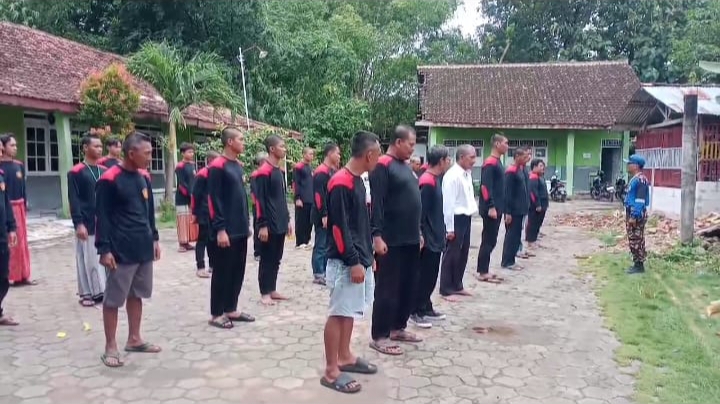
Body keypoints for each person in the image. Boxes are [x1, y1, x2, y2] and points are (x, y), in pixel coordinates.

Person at [96, 132, 162, 368]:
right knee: (114, 299)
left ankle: (134, 339)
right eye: (147, 153)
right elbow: (101, 217)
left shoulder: (143, 177)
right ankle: (110, 346)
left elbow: (148, 212)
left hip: (142, 247)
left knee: (137, 294)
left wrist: (154, 239)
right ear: (131, 153)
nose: (150, 158)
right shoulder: (110, 179)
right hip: (120, 250)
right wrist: (104, 249)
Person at [321, 130, 380, 394]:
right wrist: (354, 261)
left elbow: (361, 224)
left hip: (360, 259)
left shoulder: (358, 180)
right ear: (369, 154)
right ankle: (332, 370)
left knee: (350, 312)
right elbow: (339, 229)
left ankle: (345, 355)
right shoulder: (340, 182)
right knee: (338, 313)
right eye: (377, 154)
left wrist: (369, 258)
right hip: (346, 262)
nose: (378, 159)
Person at [369, 125, 422, 356]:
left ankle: (397, 327)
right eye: (410, 144)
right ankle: (380, 335)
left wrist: (418, 232)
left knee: (407, 286)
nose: (413, 148)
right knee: (387, 288)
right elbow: (377, 204)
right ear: (398, 142)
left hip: (410, 238)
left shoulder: (406, 167)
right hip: (391, 239)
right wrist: (376, 235)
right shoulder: (383, 166)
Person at [206, 127, 255, 328]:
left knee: (237, 269)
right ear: (230, 142)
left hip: (240, 227)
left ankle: (231, 308)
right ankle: (217, 313)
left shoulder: (236, 165)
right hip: (226, 229)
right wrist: (220, 229)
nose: (244, 142)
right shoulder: (217, 166)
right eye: (241, 139)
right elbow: (213, 200)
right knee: (222, 271)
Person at [410, 145, 451, 328]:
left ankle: (426, 306)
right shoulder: (427, 181)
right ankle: (416, 310)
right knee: (424, 275)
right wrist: (420, 234)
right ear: (441, 161)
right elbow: (420, 211)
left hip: (436, 234)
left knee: (431, 275)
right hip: (428, 237)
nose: (449, 162)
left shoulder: (435, 179)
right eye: (448, 159)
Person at [252, 135, 293, 305]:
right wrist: (262, 225)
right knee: (267, 258)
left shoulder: (279, 171)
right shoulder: (263, 172)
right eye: (282, 146)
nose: (285, 149)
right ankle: (264, 293)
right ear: (272, 149)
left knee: (276, 257)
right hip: (268, 223)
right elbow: (258, 200)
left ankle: (272, 288)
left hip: (280, 221)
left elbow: (282, 198)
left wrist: (288, 219)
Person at [68, 134, 107, 307]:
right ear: (85, 148)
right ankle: (87, 292)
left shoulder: (105, 171)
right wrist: (79, 223)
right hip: (87, 221)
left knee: (103, 256)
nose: (99, 149)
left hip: (104, 221)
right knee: (86, 258)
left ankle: (103, 289)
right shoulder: (76, 172)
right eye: (95, 146)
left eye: (101, 146)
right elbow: (74, 199)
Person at [439, 144, 479, 298]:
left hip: (466, 217)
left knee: (463, 253)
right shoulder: (452, 175)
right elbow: (448, 204)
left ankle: (457, 284)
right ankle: (446, 287)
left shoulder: (466, 174)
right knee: (452, 253)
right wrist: (449, 228)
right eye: (472, 157)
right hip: (455, 218)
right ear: (461, 157)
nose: (474, 161)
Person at [0, 134, 34, 286]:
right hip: (8, 208)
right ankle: (12, 275)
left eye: (15, 145)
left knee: (22, 243)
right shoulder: (1, 167)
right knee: (12, 243)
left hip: (20, 206)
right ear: (4, 147)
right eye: (11, 145)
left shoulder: (19, 165)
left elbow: (24, 187)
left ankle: (24, 275)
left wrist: (25, 203)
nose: (15, 148)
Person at [476, 134, 509, 282]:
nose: (507, 146)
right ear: (497, 144)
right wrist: (490, 206)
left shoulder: (498, 162)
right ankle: (482, 271)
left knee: (492, 239)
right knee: (488, 239)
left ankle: (485, 268)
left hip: (498, 207)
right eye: (505, 143)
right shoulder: (490, 163)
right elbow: (485, 187)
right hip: (491, 209)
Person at [311, 143, 341, 285]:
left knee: (327, 243)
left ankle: (324, 270)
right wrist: (323, 213)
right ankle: (318, 272)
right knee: (321, 243)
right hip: (321, 214)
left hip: (330, 212)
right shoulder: (321, 172)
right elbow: (318, 195)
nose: (339, 156)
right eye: (337, 153)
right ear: (329, 154)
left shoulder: (332, 171)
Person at [191, 151, 220, 279]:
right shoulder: (202, 174)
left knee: (213, 239)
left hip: (215, 212)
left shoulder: (218, 174)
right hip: (203, 211)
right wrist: (194, 213)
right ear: (211, 160)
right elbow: (194, 195)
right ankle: (200, 266)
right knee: (202, 239)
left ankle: (213, 265)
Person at [500, 146, 530, 270]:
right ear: (517, 157)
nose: (526, 158)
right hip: (513, 211)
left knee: (516, 236)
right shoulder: (511, 171)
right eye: (524, 156)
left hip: (520, 210)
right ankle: (507, 261)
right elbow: (507, 193)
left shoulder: (521, 170)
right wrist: (508, 212)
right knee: (511, 236)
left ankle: (511, 260)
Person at [0, 140, 18, 326]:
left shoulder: (1, 175)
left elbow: (5, 204)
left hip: (2, 234)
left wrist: (12, 228)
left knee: (3, 276)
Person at [624, 154, 649, 275]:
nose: (627, 165)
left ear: (636, 166)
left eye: (629, 163)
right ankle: (636, 263)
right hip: (631, 211)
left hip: (636, 213)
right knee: (633, 238)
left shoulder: (641, 180)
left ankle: (639, 265)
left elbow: (640, 200)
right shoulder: (635, 178)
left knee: (637, 238)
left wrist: (634, 216)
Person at [175, 142, 197, 252]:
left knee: (189, 219)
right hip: (182, 197)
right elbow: (181, 184)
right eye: (189, 152)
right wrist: (188, 195)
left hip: (192, 196)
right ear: (183, 153)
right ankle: (182, 243)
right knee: (182, 219)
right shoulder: (180, 166)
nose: (191, 154)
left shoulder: (192, 165)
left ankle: (187, 241)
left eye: (192, 152)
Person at [293, 147, 315, 249]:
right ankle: (300, 241)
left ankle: (307, 239)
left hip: (310, 198)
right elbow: (296, 183)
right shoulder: (298, 167)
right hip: (302, 198)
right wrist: (297, 198)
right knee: (301, 220)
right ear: (304, 154)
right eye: (310, 154)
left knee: (309, 220)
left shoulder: (309, 167)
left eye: (312, 154)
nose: (312, 156)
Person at [525, 159, 548, 249]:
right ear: (534, 167)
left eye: (543, 166)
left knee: (538, 223)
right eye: (540, 166)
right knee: (533, 223)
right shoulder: (533, 177)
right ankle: (530, 241)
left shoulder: (540, 176)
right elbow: (533, 193)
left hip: (543, 204)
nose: (543, 168)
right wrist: (537, 204)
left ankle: (534, 240)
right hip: (536, 206)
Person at [251, 152, 268, 262]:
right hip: (257, 205)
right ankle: (257, 251)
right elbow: (254, 192)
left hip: (265, 204)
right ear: (262, 162)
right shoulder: (255, 174)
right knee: (258, 227)